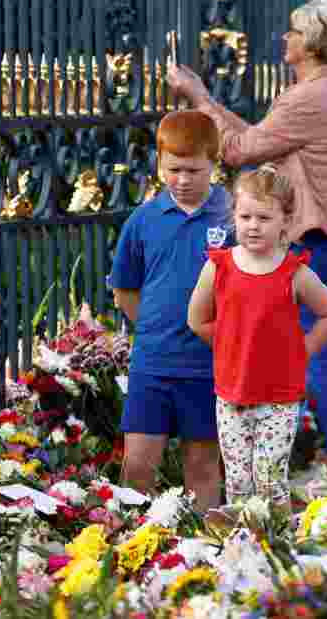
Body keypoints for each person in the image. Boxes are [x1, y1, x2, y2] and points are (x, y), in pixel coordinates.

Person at [168, 0, 327, 500]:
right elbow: (258, 139)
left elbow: (237, 151)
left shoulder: (307, 99)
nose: (285, 39)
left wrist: (198, 95)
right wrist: (210, 103)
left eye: (293, 32)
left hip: (318, 237)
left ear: (312, 42)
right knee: (324, 351)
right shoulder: (325, 92)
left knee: (311, 354)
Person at [187, 165, 327, 511]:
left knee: (270, 479)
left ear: (285, 221)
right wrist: (232, 344)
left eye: (264, 217)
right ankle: (242, 549)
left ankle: (278, 548)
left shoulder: (295, 273)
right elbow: (197, 319)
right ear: (234, 217)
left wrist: (302, 351)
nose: (253, 225)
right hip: (232, 394)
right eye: (245, 216)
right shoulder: (219, 266)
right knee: (239, 482)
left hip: (279, 396)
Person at [109, 109, 231, 513]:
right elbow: (125, 289)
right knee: (139, 463)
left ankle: (205, 552)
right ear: (159, 163)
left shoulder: (232, 219)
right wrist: (154, 331)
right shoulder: (144, 220)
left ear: (214, 163)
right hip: (153, 365)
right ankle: (132, 547)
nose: (182, 179)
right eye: (173, 169)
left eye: (194, 170)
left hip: (207, 366)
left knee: (202, 466)